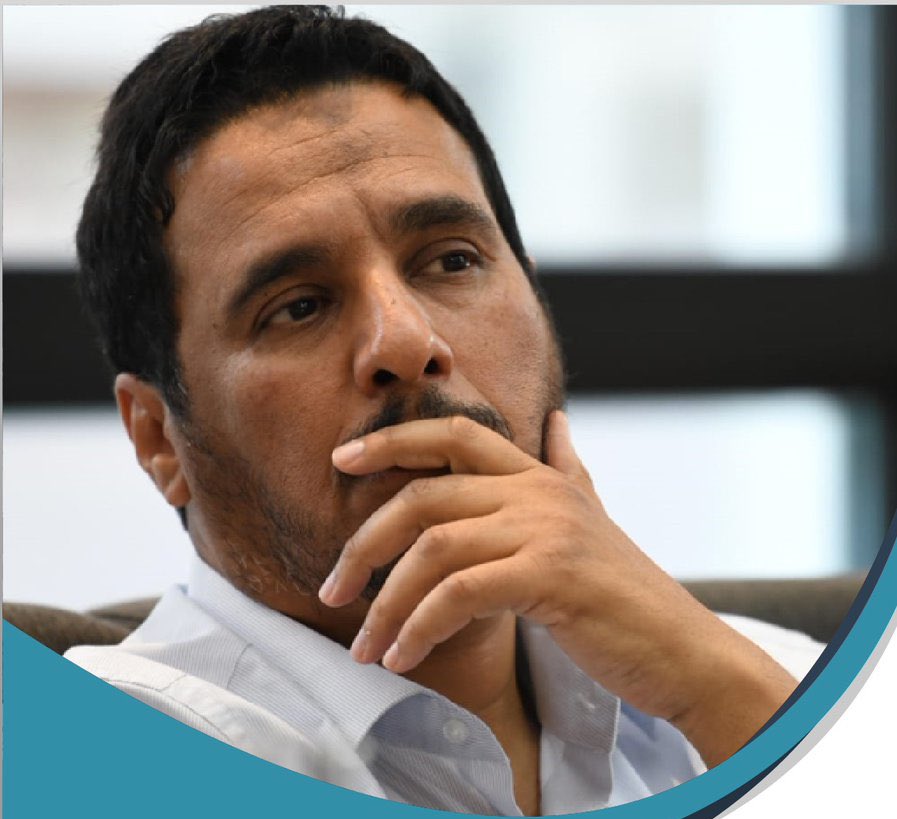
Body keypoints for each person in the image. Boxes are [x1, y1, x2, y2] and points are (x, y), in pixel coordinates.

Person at [66, 6, 822, 816]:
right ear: (158, 437)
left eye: (452, 261)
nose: (405, 340)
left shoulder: (761, 678)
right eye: (298, 306)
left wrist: (723, 690)